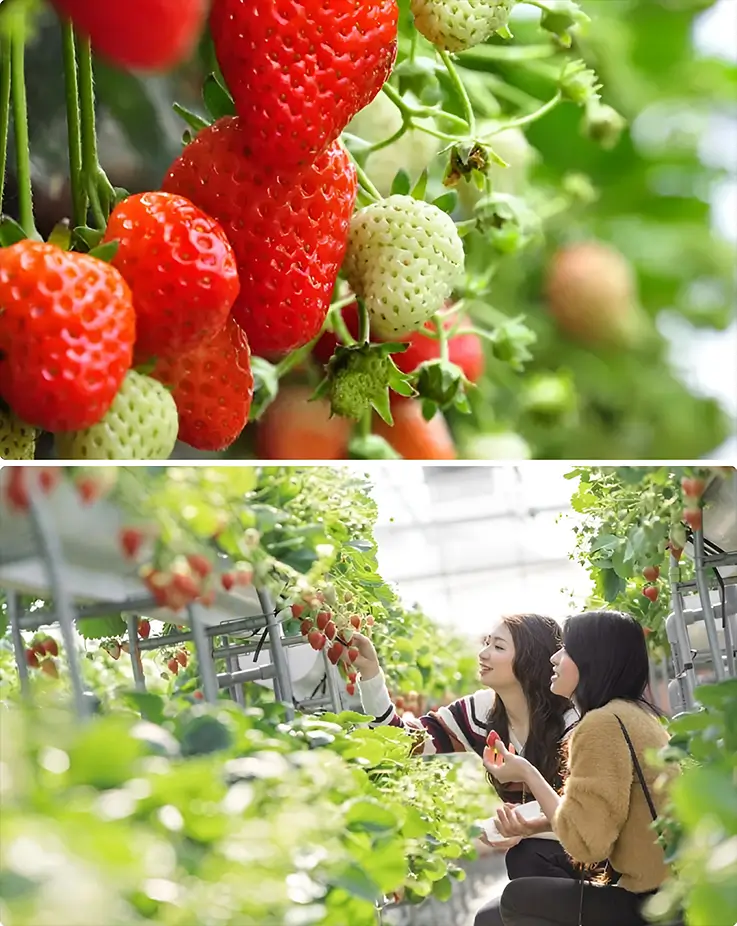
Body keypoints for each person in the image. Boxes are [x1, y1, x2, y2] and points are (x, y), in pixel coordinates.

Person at [480, 610, 675, 926]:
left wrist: (527, 772)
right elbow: (600, 822)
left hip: (655, 904)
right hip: (672, 890)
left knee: (517, 900)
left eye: (567, 649)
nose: (555, 658)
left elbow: (587, 845)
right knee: (514, 878)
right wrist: (536, 826)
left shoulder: (601, 726)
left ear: (592, 660)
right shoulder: (630, 714)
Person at [351, 613, 580, 882]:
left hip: (591, 853)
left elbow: (586, 815)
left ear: (529, 660)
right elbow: (403, 742)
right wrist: (370, 675)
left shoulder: (573, 721)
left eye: (498, 647)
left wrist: (526, 827)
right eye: (486, 643)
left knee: (526, 858)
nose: (483, 654)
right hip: (541, 853)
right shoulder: (480, 712)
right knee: (525, 860)